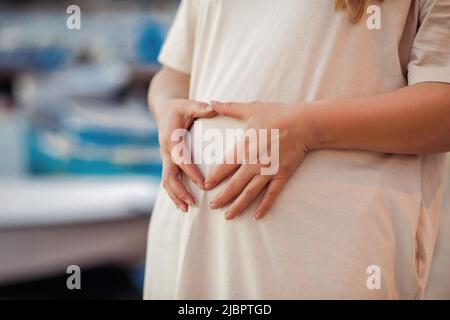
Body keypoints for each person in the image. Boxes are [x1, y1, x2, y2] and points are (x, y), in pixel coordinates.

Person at [144, 0, 450, 299]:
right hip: (188, 239)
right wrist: (166, 108)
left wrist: (307, 128)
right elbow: (175, 72)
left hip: (323, 251)